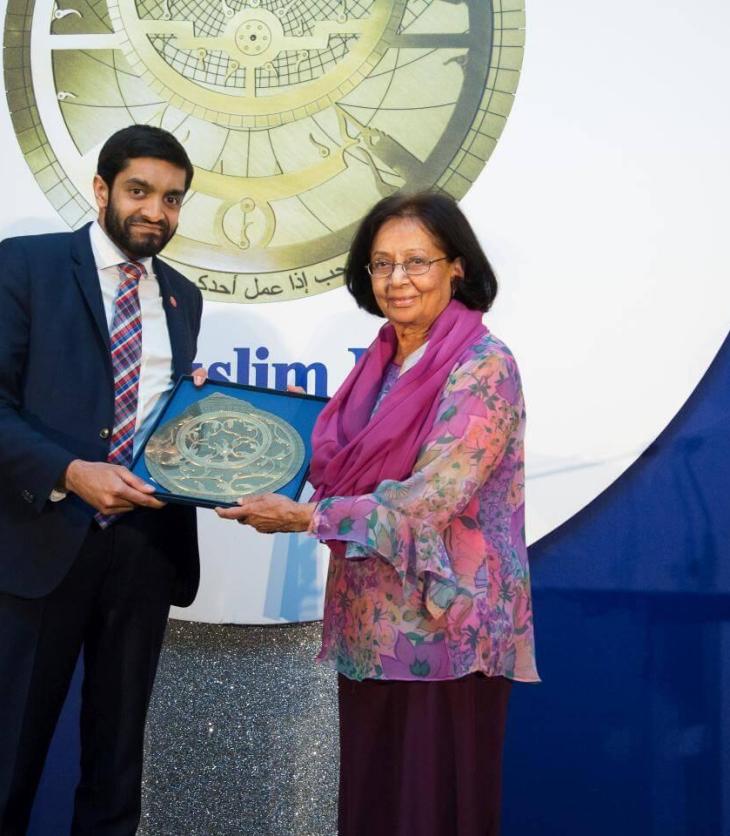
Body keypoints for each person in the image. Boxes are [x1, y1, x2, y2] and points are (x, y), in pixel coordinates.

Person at [217, 191, 538, 835]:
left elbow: (429, 501)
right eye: (382, 263)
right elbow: (331, 452)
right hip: (372, 627)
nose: (397, 280)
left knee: (430, 812)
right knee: (374, 809)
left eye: (416, 261)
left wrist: (308, 519)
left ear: (457, 267)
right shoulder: (381, 363)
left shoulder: (483, 366)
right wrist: (220, 408)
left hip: (447, 633)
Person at [0, 124, 205, 835]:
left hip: (145, 548)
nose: (157, 211)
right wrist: (67, 471)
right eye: (141, 191)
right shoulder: (23, 268)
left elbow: (162, 421)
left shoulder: (184, 295)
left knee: (116, 767)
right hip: (42, 545)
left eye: (173, 199)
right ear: (101, 190)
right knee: (9, 761)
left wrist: (198, 419)